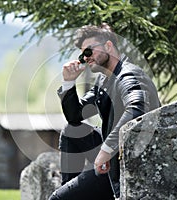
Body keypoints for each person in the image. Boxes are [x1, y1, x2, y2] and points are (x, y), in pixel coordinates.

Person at [49, 23, 160, 200]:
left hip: (130, 164)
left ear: (108, 46)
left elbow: (137, 108)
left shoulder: (129, 75)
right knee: (72, 131)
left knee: (57, 199)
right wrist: (68, 83)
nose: (86, 58)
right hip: (114, 156)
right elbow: (75, 116)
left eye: (89, 51)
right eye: (82, 54)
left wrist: (106, 150)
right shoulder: (104, 80)